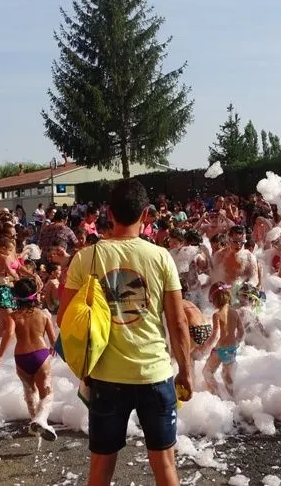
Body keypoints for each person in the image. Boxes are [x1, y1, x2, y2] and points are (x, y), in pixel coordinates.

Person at [58, 178, 193, 486]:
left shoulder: (86, 257)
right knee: (165, 464)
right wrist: (185, 371)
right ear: (146, 214)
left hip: (105, 377)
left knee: (101, 467)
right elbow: (177, 322)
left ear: (109, 212)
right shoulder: (160, 257)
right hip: (154, 373)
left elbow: (65, 318)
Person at [0, 278, 57, 440]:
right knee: (47, 391)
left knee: (30, 392)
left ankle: (34, 424)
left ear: (16, 296)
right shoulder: (43, 314)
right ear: (35, 294)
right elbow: (53, 340)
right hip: (40, 355)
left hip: (21, 357)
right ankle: (41, 419)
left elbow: (7, 334)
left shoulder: (13, 316)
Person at [202, 282, 244, 398]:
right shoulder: (235, 313)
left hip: (219, 350)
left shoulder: (217, 315)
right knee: (227, 377)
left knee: (206, 372)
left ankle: (218, 395)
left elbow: (215, 336)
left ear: (215, 300)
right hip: (231, 350)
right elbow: (241, 332)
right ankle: (233, 399)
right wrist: (236, 342)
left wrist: (205, 347)